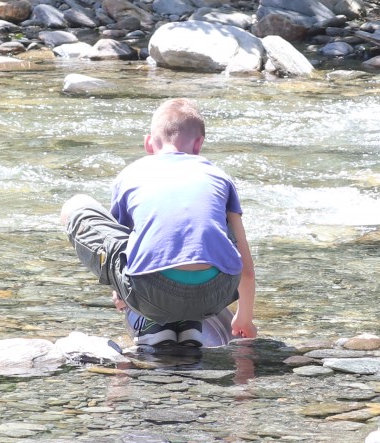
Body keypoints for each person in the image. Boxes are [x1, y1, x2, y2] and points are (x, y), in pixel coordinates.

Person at [61, 97, 256, 348]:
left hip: (150, 294)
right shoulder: (220, 177)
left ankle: (148, 322)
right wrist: (244, 318)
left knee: (75, 205)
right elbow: (245, 265)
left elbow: (120, 247)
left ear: (148, 143)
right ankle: (189, 323)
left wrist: (121, 294)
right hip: (214, 295)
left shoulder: (131, 173)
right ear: (199, 144)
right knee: (222, 224)